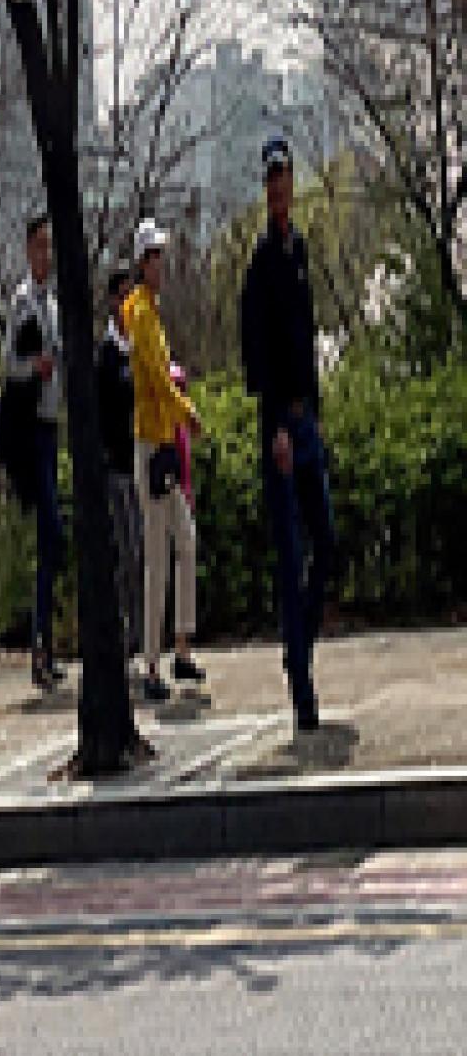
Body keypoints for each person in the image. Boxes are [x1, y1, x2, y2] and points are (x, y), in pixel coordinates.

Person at [242, 134, 335, 735]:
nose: (280, 190)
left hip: (307, 420)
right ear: (265, 189)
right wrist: (275, 422)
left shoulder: (299, 251)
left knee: (325, 543)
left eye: (286, 179)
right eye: (272, 180)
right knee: (292, 552)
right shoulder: (259, 265)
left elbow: (305, 337)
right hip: (279, 426)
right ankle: (302, 690)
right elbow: (258, 352)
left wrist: (312, 415)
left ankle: (298, 638)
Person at [126, 220, 205, 702]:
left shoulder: (152, 313)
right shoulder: (137, 314)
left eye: (161, 254)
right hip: (150, 445)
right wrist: (187, 413)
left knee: (186, 541)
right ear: (142, 262)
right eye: (153, 255)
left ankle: (179, 645)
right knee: (156, 556)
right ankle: (151, 662)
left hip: (164, 444)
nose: (160, 263)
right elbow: (156, 378)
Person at [4, 211, 66, 690]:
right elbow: (11, 363)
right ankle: (38, 641)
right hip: (33, 428)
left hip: (53, 423)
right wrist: (34, 367)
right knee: (49, 527)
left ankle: (45, 641)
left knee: (53, 540)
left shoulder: (55, 303)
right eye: (39, 246)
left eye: (50, 245)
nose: (45, 254)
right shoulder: (24, 302)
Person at [98, 259, 144, 666]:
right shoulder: (107, 356)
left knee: (143, 549)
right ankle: (128, 632)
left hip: (143, 461)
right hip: (119, 465)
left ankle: (144, 632)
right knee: (128, 551)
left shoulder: (139, 347)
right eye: (124, 295)